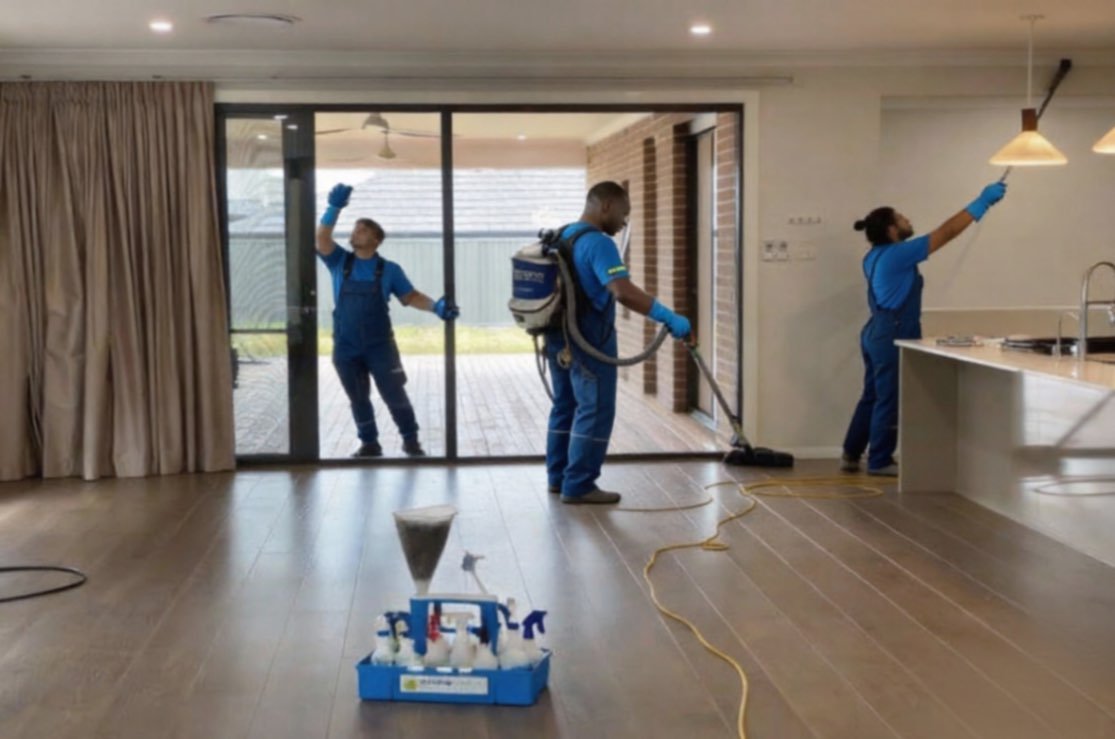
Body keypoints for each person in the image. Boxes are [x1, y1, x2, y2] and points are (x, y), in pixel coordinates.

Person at [841, 181, 1007, 476]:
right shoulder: (898, 253)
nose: (907, 220)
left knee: (873, 394)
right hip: (892, 332)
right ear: (891, 229)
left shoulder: (873, 256)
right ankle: (879, 461)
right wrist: (980, 203)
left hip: (875, 331)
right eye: (901, 218)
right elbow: (947, 232)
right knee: (889, 396)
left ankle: (851, 453)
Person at [545, 181, 693, 504]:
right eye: (623, 214)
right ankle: (579, 485)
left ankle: (558, 478)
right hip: (589, 341)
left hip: (557, 338)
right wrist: (667, 316)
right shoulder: (599, 243)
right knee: (595, 409)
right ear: (606, 206)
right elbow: (621, 291)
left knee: (565, 405)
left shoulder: (562, 235)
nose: (624, 222)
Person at [316, 183, 459, 458]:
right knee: (358, 397)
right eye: (354, 229)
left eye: (362, 230)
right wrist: (333, 209)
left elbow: (411, 296)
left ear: (376, 239)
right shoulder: (339, 262)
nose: (355, 233)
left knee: (394, 394)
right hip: (345, 345)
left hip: (380, 345)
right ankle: (369, 443)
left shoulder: (390, 270)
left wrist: (437, 307)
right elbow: (322, 238)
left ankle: (410, 440)